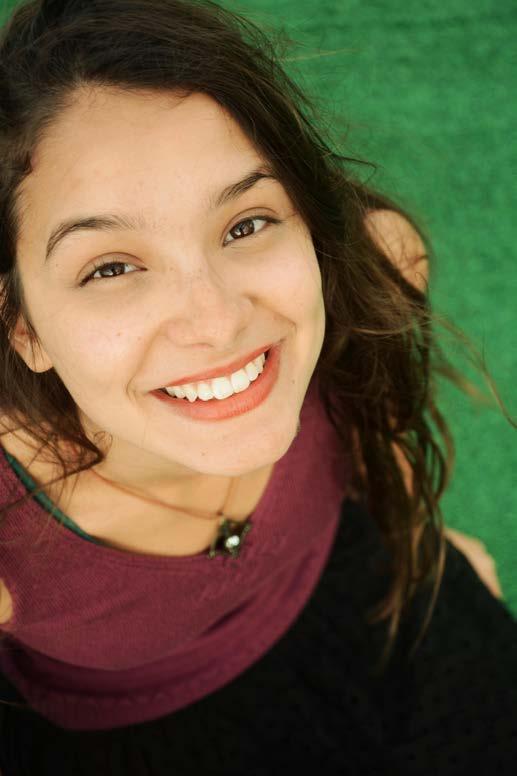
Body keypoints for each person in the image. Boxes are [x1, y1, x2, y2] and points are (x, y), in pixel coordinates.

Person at [0, 1, 515, 774]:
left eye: (245, 224)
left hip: (374, 607)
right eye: (110, 267)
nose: (217, 322)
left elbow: (371, 435)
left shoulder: (376, 264)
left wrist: (422, 542)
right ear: (23, 328)